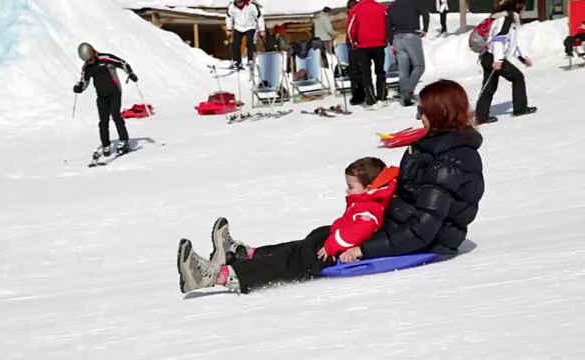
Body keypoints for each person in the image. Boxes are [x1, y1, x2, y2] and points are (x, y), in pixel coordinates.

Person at [274, 79, 485, 265]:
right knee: (322, 235)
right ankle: (251, 256)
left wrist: (364, 249)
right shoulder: (433, 147)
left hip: (426, 242)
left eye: (422, 111)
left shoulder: (449, 161)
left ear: (440, 113)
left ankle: (246, 274)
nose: (418, 117)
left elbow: (422, 228)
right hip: (399, 226)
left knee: (316, 255)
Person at [176, 157, 399, 294]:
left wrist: (333, 245)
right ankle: (240, 254)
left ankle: (214, 276)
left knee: (290, 261)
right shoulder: (368, 200)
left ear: (369, 187)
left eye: (351, 187)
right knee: (302, 245)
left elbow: (360, 231)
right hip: (334, 245)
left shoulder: (370, 208)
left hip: (337, 254)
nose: (347, 191)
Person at [475, 0, 537, 125]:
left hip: (487, 55)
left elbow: (512, 43)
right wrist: (498, 60)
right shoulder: (506, 19)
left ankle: (481, 116)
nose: (524, 9)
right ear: (518, 7)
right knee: (517, 77)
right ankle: (520, 108)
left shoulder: (504, 18)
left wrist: (522, 58)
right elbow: (498, 40)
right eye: (524, 7)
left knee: (489, 86)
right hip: (494, 56)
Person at [73, 42, 137, 156]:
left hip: (114, 92)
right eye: (88, 60)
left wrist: (130, 74)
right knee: (103, 121)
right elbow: (84, 81)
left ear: (93, 52)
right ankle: (106, 144)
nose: (90, 62)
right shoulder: (87, 67)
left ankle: (124, 140)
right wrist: (79, 88)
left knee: (116, 116)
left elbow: (123, 63)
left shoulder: (106, 58)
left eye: (91, 59)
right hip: (101, 96)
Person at [347, 0, 390, 108]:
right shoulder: (382, 8)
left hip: (363, 46)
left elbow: (350, 29)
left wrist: (353, 42)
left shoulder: (356, 10)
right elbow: (389, 23)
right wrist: (387, 38)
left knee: (366, 73)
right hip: (379, 43)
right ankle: (382, 95)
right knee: (380, 71)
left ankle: (371, 99)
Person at [387, 0, 429, 107]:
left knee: (403, 70)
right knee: (419, 66)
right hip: (411, 35)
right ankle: (408, 91)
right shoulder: (414, 3)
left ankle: (404, 97)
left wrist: (391, 41)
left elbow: (387, 25)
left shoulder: (393, 6)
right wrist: (425, 29)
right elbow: (425, 13)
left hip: (397, 37)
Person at [225, 0, 265, 70]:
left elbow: (259, 17)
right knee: (236, 44)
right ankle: (237, 61)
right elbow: (229, 18)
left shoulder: (252, 6)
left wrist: (261, 29)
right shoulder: (231, 7)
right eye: (237, 2)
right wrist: (229, 29)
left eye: (240, 2)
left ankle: (250, 60)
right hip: (238, 27)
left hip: (250, 26)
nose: (239, 4)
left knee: (250, 43)